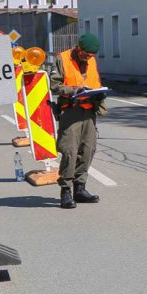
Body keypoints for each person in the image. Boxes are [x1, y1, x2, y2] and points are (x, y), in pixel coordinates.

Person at [49, 34, 107, 210]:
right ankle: (65, 191)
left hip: (89, 111)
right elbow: (53, 84)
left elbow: (94, 81)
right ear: (78, 48)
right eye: (85, 54)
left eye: (91, 55)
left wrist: (99, 93)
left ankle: (80, 188)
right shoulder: (62, 58)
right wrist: (74, 90)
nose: (88, 57)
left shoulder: (91, 61)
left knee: (88, 150)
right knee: (69, 151)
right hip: (71, 110)